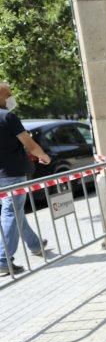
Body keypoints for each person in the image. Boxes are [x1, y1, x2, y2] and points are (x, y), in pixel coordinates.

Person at [0, 82, 50, 276]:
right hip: (12, 174)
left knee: (14, 210)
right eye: (9, 94)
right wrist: (43, 155)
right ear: (2, 96)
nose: (12, 97)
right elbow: (28, 142)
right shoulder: (8, 117)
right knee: (12, 212)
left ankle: (35, 244)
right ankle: (3, 260)